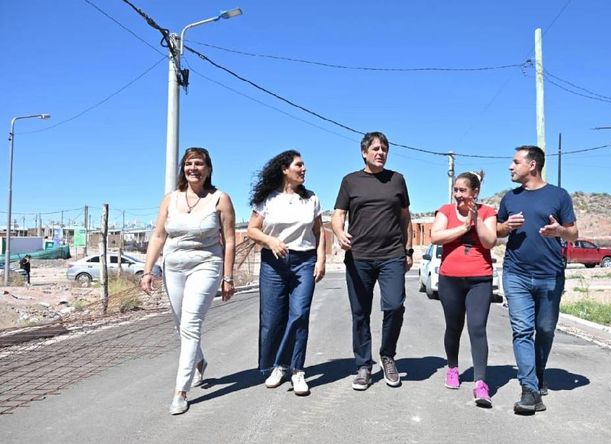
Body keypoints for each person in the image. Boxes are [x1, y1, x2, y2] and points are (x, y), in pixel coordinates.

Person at [140, 147, 236, 415]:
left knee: (191, 324)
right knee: (180, 325)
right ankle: (199, 361)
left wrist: (228, 277)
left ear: (208, 168)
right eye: (189, 163)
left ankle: (180, 392)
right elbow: (158, 236)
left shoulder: (220, 199)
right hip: (173, 266)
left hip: (206, 265)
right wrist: (148, 271)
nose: (193, 168)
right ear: (183, 168)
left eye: (199, 163)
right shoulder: (170, 199)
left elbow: (229, 240)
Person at [496, 145, 578, 414]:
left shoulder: (559, 195)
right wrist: (506, 226)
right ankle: (529, 390)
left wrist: (559, 230)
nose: (510, 166)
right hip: (516, 274)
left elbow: (574, 233)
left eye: (515, 161)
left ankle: (538, 373)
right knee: (522, 330)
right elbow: (497, 230)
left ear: (532, 165)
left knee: (545, 329)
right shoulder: (510, 198)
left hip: (550, 275)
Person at [332, 131, 413, 391]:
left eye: (384, 149)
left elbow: (405, 218)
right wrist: (339, 232)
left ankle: (387, 356)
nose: (381, 153)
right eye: (376, 148)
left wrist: (408, 251)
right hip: (359, 257)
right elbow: (338, 215)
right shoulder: (350, 181)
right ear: (364, 152)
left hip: (391, 255)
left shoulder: (397, 180)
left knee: (394, 306)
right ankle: (363, 366)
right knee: (360, 313)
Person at [247, 150, 326, 396]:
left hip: (304, 261)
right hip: (273, 263)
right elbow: (252, 230)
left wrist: (321, 260)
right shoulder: (268, 199)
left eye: (304, 165)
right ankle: (278, 366)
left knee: (299, 314)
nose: (304, 169)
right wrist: (270, 241)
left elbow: (319, 232)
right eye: (298, 165)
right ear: (284, 169)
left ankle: (297, 370)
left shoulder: (311, 199)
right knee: (272, 319)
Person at [430, 171, 497, 407]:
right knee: (454, 326)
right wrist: (464, 227)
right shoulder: (446, 211)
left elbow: (489, 241)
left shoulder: (488, 212)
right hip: (450, 279)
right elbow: (435, 237)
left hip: (480, 279)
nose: (457, 194)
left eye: (462, 190)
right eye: (455, 190)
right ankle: (452, 368)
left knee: (477, 328)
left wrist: (476, 219)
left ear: (474, 192)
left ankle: (480, 382)